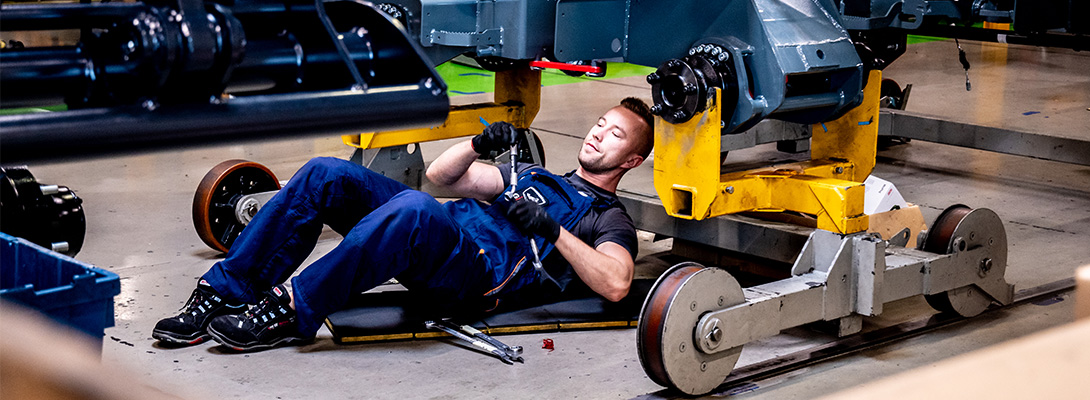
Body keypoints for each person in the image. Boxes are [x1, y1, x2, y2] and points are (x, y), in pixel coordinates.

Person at [152, 97, 655, 351]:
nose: (597, 136)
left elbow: (615, 282)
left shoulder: (606, 217)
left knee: (413, 209)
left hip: (474, 275)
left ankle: (289, 312)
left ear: (631, 161)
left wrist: (551, 229)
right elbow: (443, 177)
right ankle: (222, 293)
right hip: (445, 233)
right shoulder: (537, 174)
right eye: (599, 125)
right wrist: (478, 146)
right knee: (325, 174)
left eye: (614, 135)